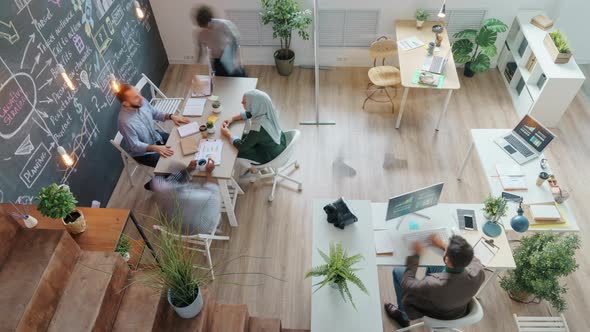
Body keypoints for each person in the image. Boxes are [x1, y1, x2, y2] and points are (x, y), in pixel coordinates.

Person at [384, 234, 485, 328]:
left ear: (447, 260)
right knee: (432, 264)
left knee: (398, 271)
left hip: (435, 313)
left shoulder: (433, 284)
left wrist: (416, 255)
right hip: (456, 309)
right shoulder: (479, 270)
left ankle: (403, 317)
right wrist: (442, 245)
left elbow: (407, 284)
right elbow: (468, 257)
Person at [116, 84, 190, 168]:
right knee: (170, 164)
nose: (141, 98)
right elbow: (135, 146)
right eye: (136, 97)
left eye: (139, 93)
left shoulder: (141, 101)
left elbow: (155, 113)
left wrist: (171, 116)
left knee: (179, 141)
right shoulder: (124, 122)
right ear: (125, 104)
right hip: (143, 153)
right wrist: (155, 148)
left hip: (155, 136)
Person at [220, 89, 286, 179]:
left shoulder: (258, 128)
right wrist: (232, 118)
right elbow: (250, 113)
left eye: (244, 102)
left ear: (254, 105)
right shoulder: (266, 109)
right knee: (242, 137)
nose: (241, 102)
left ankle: (254, 170)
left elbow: (242, 147)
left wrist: (228, 134)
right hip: (279, 141)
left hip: (271, 154)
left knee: (237, 153)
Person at [150, 158, 221, 235]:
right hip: (200, 228)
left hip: (174, 225)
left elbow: (170, 181)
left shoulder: (162, 189)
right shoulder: (197, 196)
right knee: (215, 204)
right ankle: (216, 227)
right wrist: (209, 173)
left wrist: (188, 169)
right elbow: (214, 191)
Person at [194, 5, 246, 77]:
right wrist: (196, 67)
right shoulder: (201, 34)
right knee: (220, 83)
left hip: (230, 57)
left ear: (210, 19)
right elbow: (200, 51)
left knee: (240, 79)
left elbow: (235, 39)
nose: (206, 28)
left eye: (207, 24)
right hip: (217, 61)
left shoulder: (223, 25)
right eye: (204, 26)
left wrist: (238, 59)